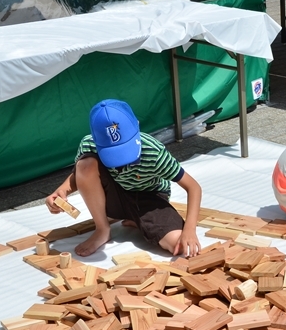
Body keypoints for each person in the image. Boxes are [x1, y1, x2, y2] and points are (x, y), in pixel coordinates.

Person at [46, 99, 202, 257]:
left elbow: (193, 187)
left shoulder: (154, 152)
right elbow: (80, 175)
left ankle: (137, 220)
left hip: (148, 198)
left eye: (126, 149)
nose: (121, 161)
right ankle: (102, 229)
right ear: (95, 138)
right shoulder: (88, 144)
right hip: (113, 197)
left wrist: (190, 230)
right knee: (85, 164)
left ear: (137, 125)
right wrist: (62, 191)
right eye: (112, 154)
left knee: (178, 245)